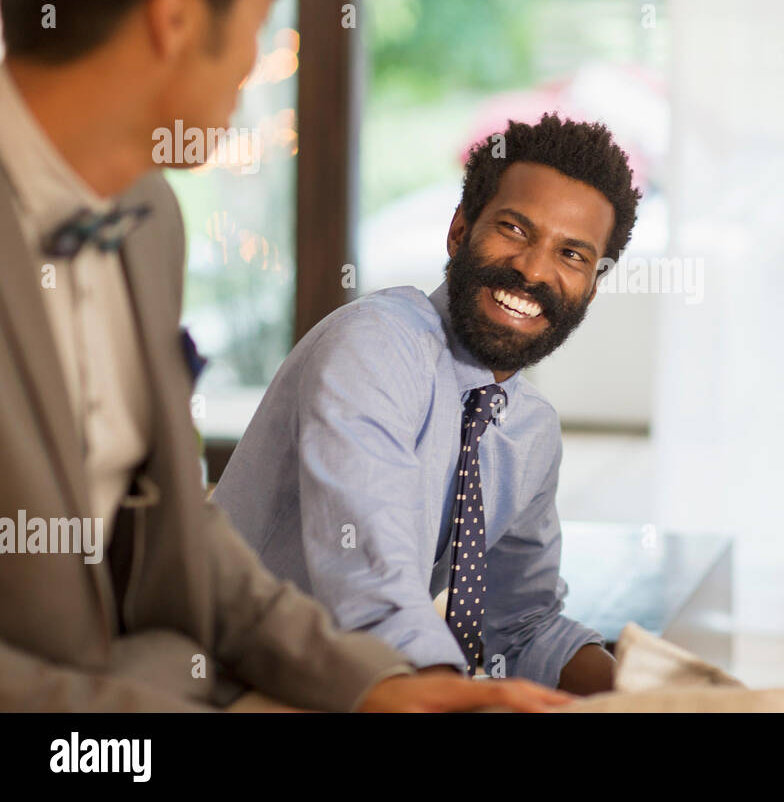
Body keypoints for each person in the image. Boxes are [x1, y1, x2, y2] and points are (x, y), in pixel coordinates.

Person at [0, 0, 566, 713]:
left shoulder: (148, 221)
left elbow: (182, 541)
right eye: (265, 19)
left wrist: (379, 688)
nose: (268, 60)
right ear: (179, 17)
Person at [213, 113, 639, 695]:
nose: (534, 269)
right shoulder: (376, 346)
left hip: (369, 691)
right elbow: (374, 589)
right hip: (228, 685)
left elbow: (522, 627)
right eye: (515, 229)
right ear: (460, 230)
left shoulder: (530, 430)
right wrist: (456, 697)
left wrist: (650, 697)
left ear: (592, 284)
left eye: (572, 255)